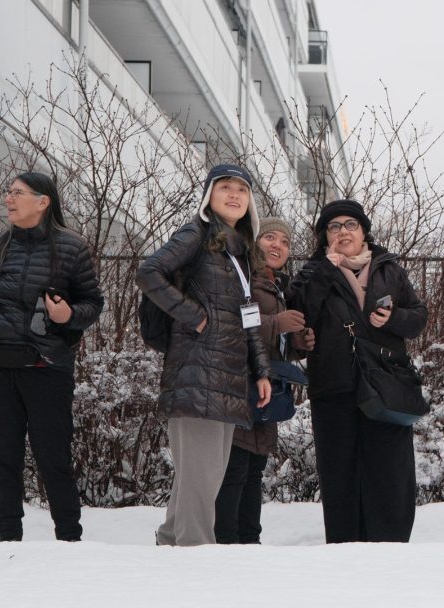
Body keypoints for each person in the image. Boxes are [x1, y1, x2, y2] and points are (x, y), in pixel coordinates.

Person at [0, 171, 104, 542]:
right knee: (3, 461)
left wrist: (68, 315)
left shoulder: (71, 247)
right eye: (7, 192)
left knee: (53, 459)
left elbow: (93, 304)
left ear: (44, 201)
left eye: (18, 193)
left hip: (47, 368)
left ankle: (69, 540)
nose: (9, 199)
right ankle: (8, 544)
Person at [137, 164, 271, 547]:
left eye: (242, 190)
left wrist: (260, 370)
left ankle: (169, 542)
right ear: (209, 195)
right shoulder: (196, 232)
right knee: (202, 476)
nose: (234, 195)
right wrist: (193, 316)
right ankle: (195, 557)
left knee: (201, 476)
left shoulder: (240, 250)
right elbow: (150, 272)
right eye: (225, 187)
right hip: (196, 372)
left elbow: (249, 320)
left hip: (228, 375)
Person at [290, 199, 428, 543]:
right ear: (324, 235)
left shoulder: (388, 269)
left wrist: (394, 318)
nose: (342, 232)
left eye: (350, 225)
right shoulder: (311, 271)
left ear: (364, 231)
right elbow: (300, 312)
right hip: (334, 383)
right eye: (334, 227)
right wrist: (325, 268)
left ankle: (390, 545)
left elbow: (418, 317)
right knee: (340, 471)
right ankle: (344, 547)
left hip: (384, 382)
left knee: (389, 470)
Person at [214, 216, 314, 544]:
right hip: (240, 384)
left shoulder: (276, 283)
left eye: (285, 242)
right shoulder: (244, 277)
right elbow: (234, 325)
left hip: (265, 388)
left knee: (254, 469)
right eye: (270, 237)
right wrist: (277, 323)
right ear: (255, 241)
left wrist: (297, 342)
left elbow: (271, 342)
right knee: (236, 468)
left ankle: (249, 541)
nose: (277, 245)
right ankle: (227, 542)